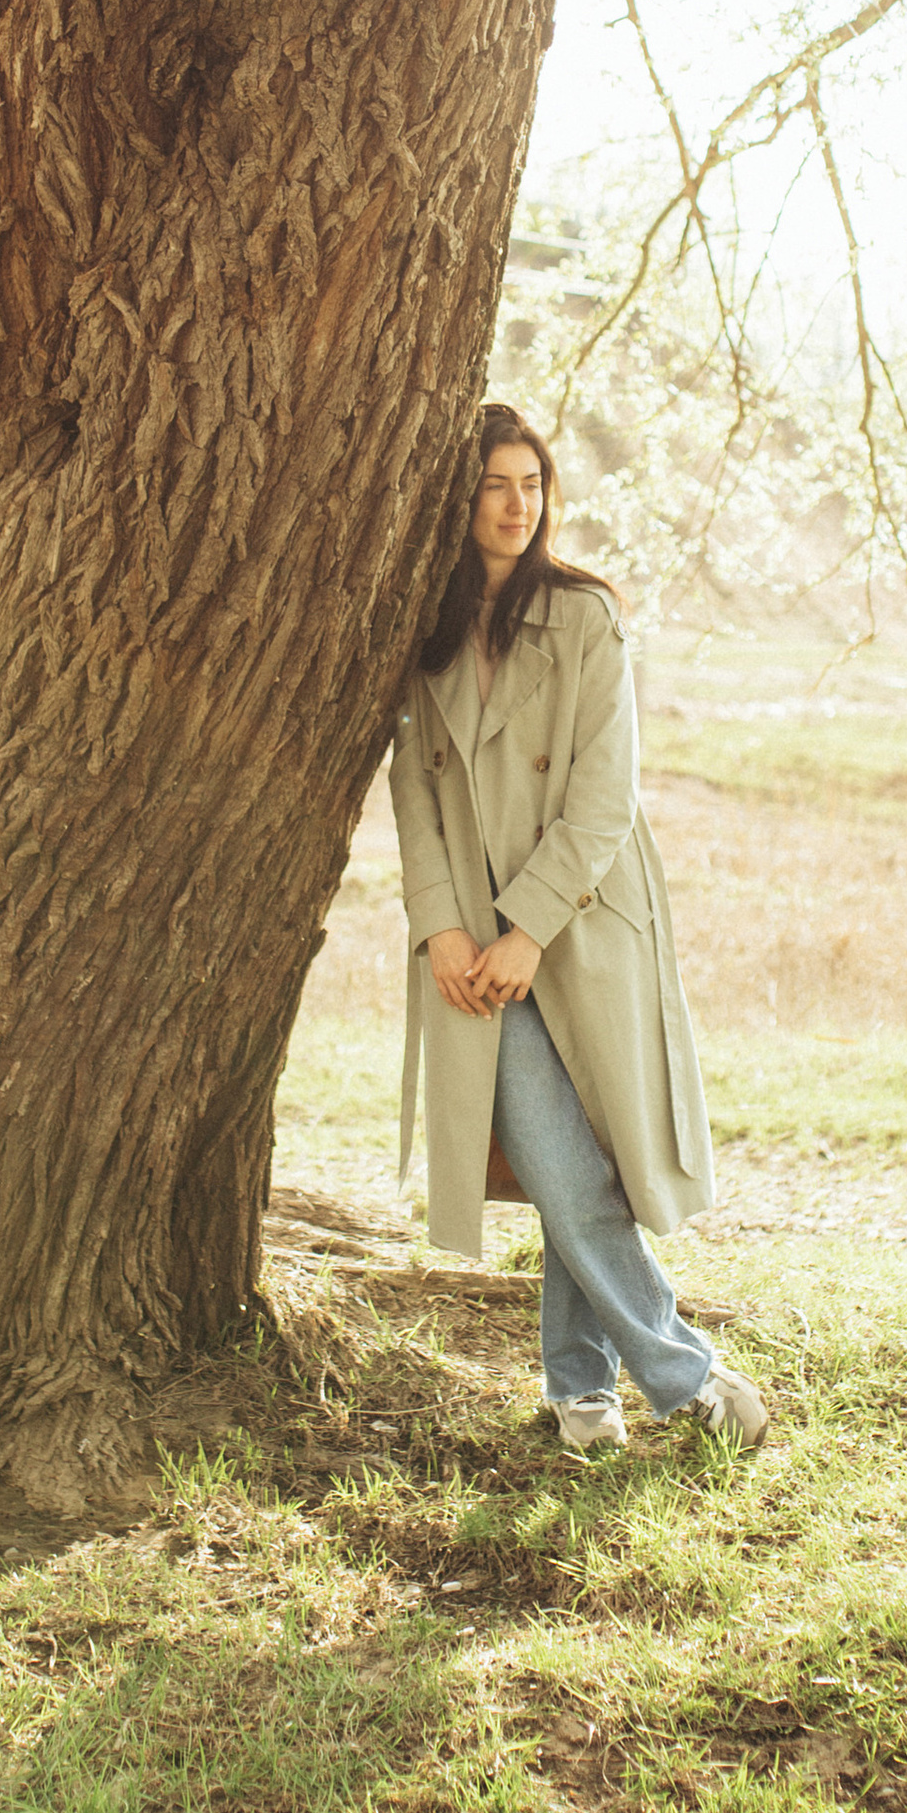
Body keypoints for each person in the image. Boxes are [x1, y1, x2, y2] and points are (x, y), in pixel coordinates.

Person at [389, 403, 768, 1459]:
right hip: (468, 941)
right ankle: (680, 1374)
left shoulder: (587, 618)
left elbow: (604, 799)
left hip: (584, 928)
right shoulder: (421, 633)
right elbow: (412, 797)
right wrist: (443, 933)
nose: (519, 506)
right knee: (560, 1165)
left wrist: (526, 930)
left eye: (533, 484)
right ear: (458, 501)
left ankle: (582, 1393)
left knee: (578, 1169)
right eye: (496, 486)